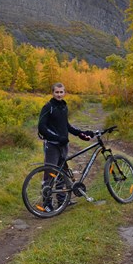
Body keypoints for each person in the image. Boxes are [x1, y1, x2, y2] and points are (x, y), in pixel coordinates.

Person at [37, 82, 93, 211]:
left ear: (64, 93)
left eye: (61, 92)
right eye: (56, 92)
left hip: (63, 145)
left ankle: (63, 201)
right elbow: (42, 128)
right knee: (50, 174)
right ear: (53, 93)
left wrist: (80, 133)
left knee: (62, 173)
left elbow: (66, 126)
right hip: (52, 145)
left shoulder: (63, 107)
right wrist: (57, 138)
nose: (59, 94)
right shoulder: (48, 107)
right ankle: (46, 204)